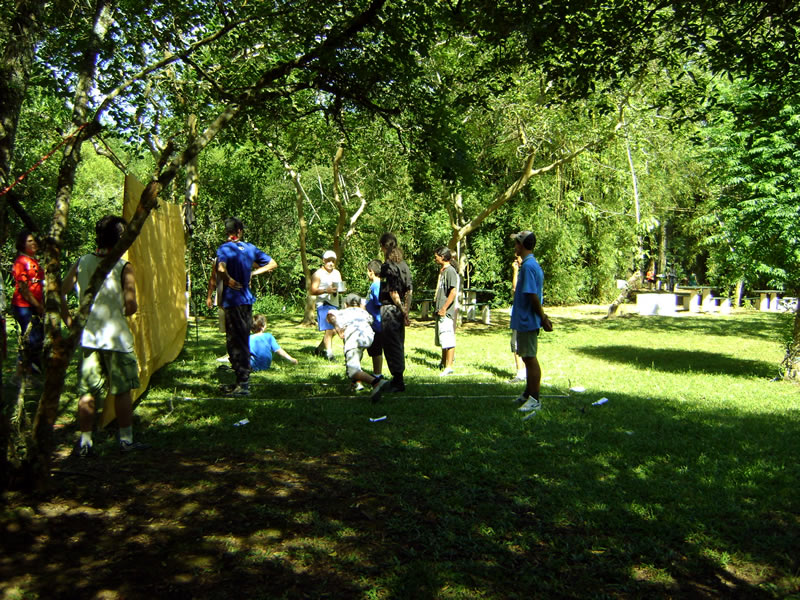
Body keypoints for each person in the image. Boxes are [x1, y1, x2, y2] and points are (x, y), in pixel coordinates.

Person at [60, 216, 146, 456]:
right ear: (121, 239)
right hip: (116, 338)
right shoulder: (123, 266)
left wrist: (70, 323)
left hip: (89, 337)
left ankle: (86, 442)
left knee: (87, 391)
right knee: (121, 391)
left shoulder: (82, 262)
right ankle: (126, 440)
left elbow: (59, 293)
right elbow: (131, 306)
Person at [215, 217, 277, 396]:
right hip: (246, 301)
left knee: (234, 341)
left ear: (227, 232)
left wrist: (228, 280)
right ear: (240, 232)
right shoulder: (250, 248)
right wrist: (253, 273)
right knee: (242, 339)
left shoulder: (225, 248)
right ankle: (240, 382)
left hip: (233, 302)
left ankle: (243, 384)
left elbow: (221, 268)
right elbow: (272, 263)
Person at [509, 230, 553, 414]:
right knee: (526, 358)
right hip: (525, 320)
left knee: (530, 358)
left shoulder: (527, 267)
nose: (515, 247)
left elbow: (532, 296)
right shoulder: (529, 264)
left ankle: (534, 399)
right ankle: (528, 393)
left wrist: (543, 318)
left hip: (528, 320)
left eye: (516, 243)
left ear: (522, 245)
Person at [327, 294, 390, 402]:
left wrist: (337, 327)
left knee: (352, 370)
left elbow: (330, 314)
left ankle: (377, 382)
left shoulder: (343, 312)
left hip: (354, 338)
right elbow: (370, 320)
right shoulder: (364, 313)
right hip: (368, 337)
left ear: (345, 304)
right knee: (356, 358)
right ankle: (355, 384)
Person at [379, 232, 413, 393]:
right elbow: (409, 291)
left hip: (390, 310)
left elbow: (393, 292)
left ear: (383, 247)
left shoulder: (387, 266)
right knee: (399, 343)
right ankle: (398, 378)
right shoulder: (404, 266)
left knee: (391, 345)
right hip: (400, 311)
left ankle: (398, 381)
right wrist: (406, 310)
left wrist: (401, 309)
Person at [11, 229, 45, 378]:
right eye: (30, 241)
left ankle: (24, 374)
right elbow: (24, 289)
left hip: (35, 306)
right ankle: (26, 374)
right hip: (24, 307)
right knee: (31, 340)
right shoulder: (21, 261)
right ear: (22, 244)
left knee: (36, 339)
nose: (34, 243)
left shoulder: (34, 261)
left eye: (34, 240)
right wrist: (37, 306)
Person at [309, 250, 343, 361]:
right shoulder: (317, 274)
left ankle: (319, 349)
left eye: (333, 261)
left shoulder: (337, 273)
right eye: (328, 261)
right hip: (323, 304)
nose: (331, 263)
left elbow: (340, 287)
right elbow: (312, 291)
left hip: (334, 303)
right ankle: (330, 354)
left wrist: (341, 289)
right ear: (324, 260)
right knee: (329, 328)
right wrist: (325, 290)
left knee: (334, 330)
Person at [433, 247, 458, 376]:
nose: (435, 258)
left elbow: (453, 292)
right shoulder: (443, 271)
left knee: (448, 339)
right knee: (442, 339)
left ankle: (449, 366)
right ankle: (443, 362)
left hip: (446, 312)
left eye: (436, 256)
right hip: (439, 310)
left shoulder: (450, 271)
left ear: (442, 257)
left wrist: (444, 308)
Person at [508, 255, 526, 383]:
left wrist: (515, 271)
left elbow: (515, 290)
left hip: (520, 314)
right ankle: (523, 372)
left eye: (517, 257)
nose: (515, 260)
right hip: (521, 313)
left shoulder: (524, 271)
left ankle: (520, 373)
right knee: (520, 344)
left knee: (516, 344)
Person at [365, 259, 383, 377]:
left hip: (376, 323)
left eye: (368, 271)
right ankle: (376, 372)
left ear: (371, 271)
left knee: (376, 350)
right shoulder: (375, 285)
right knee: (373, 349)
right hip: (373, 323)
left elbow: (379, 302)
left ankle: (377, 374)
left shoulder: (376, 286)